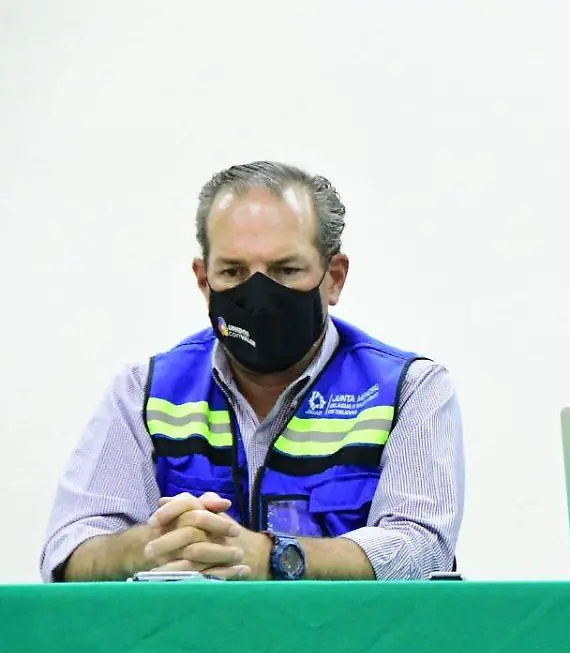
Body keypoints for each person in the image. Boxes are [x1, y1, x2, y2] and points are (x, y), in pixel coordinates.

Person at [40, 161, 465, 582]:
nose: (258, 296)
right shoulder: (144, 391)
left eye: (286, 270)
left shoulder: (407, 390)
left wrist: (273, 556)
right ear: (204, 280)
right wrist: (151, 545)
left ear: (334, 278)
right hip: (186, 630)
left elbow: (423, 550)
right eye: (233, 272)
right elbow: (67, 552)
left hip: (341, 631)